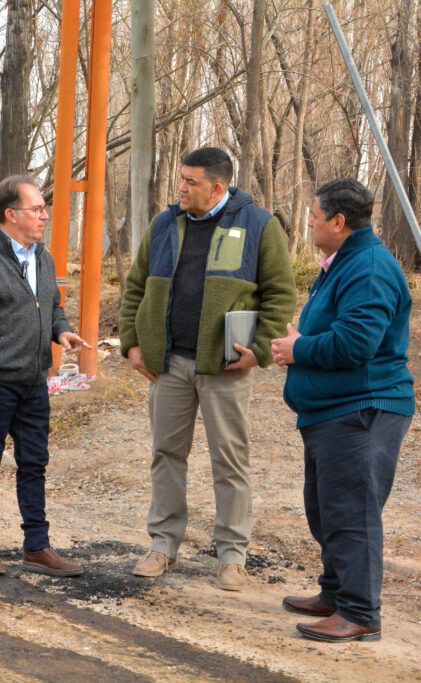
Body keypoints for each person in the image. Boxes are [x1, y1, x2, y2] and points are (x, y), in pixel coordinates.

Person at [118, 147, 296, 590]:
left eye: (190, 181)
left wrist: (260, 350)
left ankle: (232, 555)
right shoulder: (164, 224)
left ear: (217, 188)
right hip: (169, 363)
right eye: (181, 178)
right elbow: (136, 286)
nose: (180, 187)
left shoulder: (259, 225)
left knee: (229, 459)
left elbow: (280, 295)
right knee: (166, 455)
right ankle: (163, 545)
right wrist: (132, 344)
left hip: (224, 368)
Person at [270, 178, 415, 643]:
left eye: (313, 216)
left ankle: (359, 613)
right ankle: (335, 593)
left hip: (361, 411)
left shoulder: (368, 268)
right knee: (327, 509)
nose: (308, 223)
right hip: (332, 411)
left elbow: (356, 343)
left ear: (338, 221)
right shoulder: (345, 261)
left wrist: (298, 349)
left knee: (352, 513)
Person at [0, 174, 90, 577]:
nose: (44, 215)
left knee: (34, 463)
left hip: (34, 382)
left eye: (44, 208)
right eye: (37, 208)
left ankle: (36, 548)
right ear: (11, 215)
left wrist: (62, 331)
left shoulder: (43, 257)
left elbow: (53, 307)